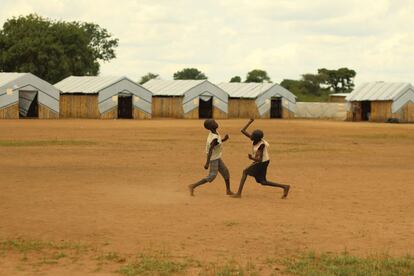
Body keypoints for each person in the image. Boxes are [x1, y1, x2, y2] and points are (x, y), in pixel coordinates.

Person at [231, 119, 290, 199]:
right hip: (263, 161)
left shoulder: (261, 145)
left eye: (252, 135)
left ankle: (239, 193)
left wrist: (251, 158)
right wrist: (250, 122)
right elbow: (243, 130)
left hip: (262, 162)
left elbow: (259, 159)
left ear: (256, 138)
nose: (250, 136)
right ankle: (285, 187)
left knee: (245, 172)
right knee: (263, 182)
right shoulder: (255, 140)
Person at [188, 119, 234, 196]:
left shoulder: (214, 133)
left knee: (225, 172)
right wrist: (207, 163)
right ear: (210, 127)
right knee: (212, 176)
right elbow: (210, 149)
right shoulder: (214, 137)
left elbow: (217, 143)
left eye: (215, 122)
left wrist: (224, 139)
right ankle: (193, 186)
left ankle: (228, 190)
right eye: (213, 123)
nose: (215, 123)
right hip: (213, 158)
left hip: (217, 157)